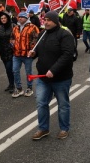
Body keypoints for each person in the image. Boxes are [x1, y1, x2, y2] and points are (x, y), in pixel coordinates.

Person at [28, 10, 75, 140]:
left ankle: (64, 128)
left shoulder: (65, 35)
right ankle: (43, 129)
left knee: (63, 104)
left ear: (55, 21)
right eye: (45, 19)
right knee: (41, 103)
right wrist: (34, 54)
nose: (46, 22)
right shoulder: (42, 34)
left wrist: (53, 70)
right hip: (43, 78)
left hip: (61, 78)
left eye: (49, 20)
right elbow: (39, 50)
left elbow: (67, 55)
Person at [11, 12, 39, 97]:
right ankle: (19, 88)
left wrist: (32, 49)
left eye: (22, 17)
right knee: (15, 70)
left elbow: (36, 39)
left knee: (28, 71)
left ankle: (29, 88)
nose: (20, 18)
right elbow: (12, 38)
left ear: (26, 18)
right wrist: (13, 44)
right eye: (19, 17)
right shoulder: (15, 28)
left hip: (27, 55)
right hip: (17, 54)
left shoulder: (33, 27)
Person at [0, 12, 16, 93]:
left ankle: (13, 85)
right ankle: (10, 84)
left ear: (7, 18)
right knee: (7, 70)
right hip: (3, 51)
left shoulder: (12, 26)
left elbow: (15, 38)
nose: (3, 20)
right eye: (2, 18)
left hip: (11, 51)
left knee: (9, 68)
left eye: (4, 18)